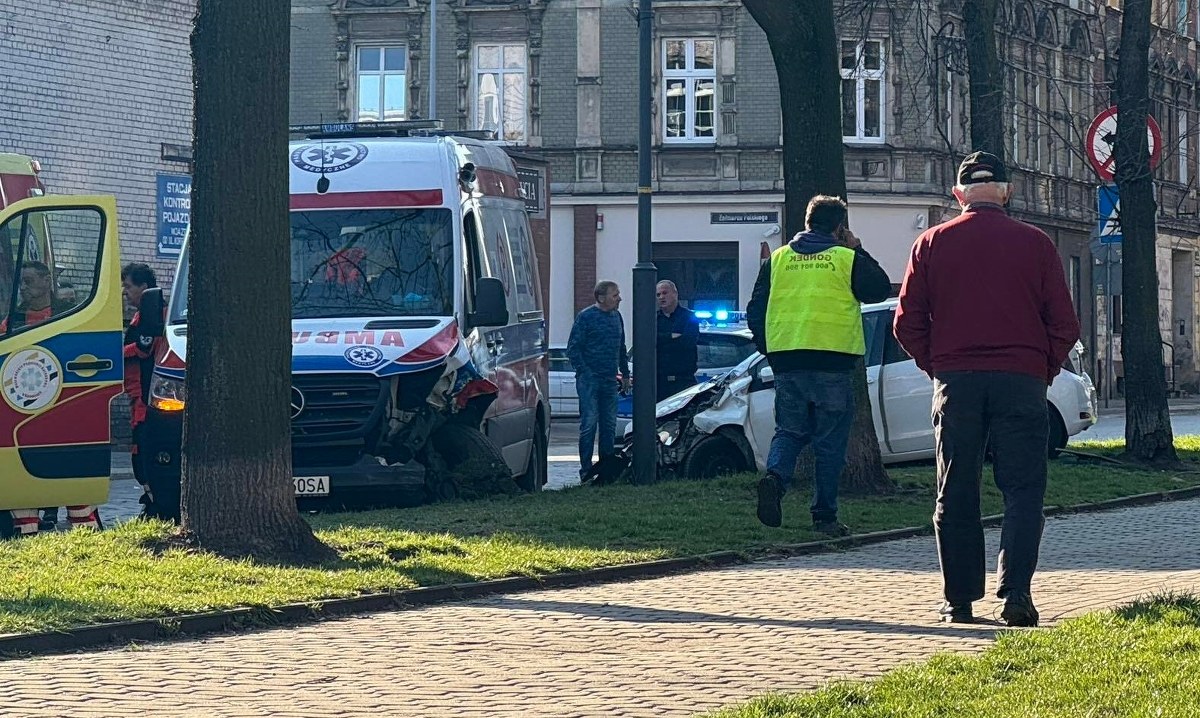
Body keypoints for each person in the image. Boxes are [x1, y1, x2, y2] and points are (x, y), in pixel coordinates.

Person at [893, 151, 1080, 627]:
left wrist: (938, 366)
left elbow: (906, 322)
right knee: (1023, 489)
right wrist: (1042, 369)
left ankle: (959, 600)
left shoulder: (931, 243)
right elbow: (1064, 323)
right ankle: (1016, 595)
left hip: (958, 382)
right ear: (1007, 191)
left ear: (958, 195)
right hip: (1021, 381)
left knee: (955, 487)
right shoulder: (1036, 244)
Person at [746, 196, 891, 535]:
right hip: (832, 361)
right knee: (829, 441)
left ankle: (775, 479)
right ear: (839, 228)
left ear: (807, 221)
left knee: (789, 431)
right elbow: (880, 289)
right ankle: (824, 516)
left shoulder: (778, 259)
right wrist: (858, 249)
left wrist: (770, 348)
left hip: (787, 360)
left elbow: (756, 309)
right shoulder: (845, 258)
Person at [1, 261, 79, 531]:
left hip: (61, 401)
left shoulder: (69, 313)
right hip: (23, 404)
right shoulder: (14, 318)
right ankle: (28, 525)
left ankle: (80, 523)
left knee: (67, 464)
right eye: (22, 282)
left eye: (29, 281)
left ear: (47, 281)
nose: (24, 288)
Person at [120, 263, 172, 521]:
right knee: (139, 453)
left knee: (143, 454)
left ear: (144, 287)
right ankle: (152, 501)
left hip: (146, 398)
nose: (124, 292)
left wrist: (114, 353)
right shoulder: (142, 314)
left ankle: (156, 505)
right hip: (137, 398)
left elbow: (143, 348)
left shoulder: (155, 314)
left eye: (128, 286)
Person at [566, 280, 630, 477]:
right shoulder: (586, 317)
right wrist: (585, 372)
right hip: (590, 380)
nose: (619, 299)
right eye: (615, 295)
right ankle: (586, 469)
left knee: (609, 425)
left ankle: (606, 468)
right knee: (589, 424)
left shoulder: (617, 317)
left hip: (610, 380)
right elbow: (573, 349)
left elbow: (621, 348)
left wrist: (625, 374)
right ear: (601, 298)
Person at [655, 280, 700, 401]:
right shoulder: (654, 319)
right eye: (658, 294)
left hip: (683, 382)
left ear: (675, 294)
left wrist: (661, 340)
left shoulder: (689, 317)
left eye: (665, 293)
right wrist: (670, 337)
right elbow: (648, 343)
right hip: (659, 383)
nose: (661, 297)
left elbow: (687, 343)